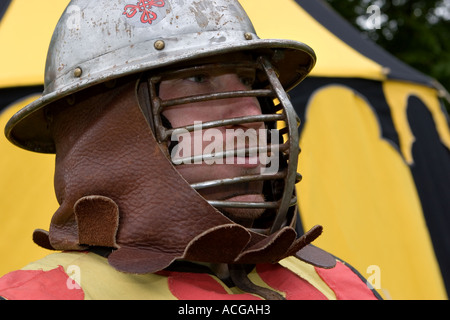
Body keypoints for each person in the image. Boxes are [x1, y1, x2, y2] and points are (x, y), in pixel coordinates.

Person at [0, 0, 381, 300]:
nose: (252, 112)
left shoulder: (337, 284)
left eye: (249, 81)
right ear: (106, 127)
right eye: (197, 79)